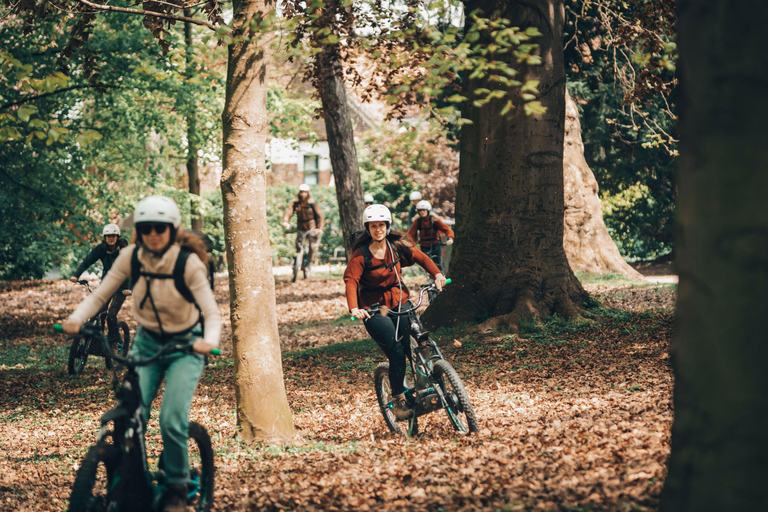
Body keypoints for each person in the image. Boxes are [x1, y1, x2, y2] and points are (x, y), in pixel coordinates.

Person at [62, 196, 221, 512]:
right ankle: (131, 477)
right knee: (131, 411)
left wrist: (209, 340)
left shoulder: (187, 263)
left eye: (160, 228)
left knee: (171, 419)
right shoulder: (130, 257)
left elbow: (211, 312)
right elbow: (101, 294)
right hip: (147, 342)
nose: (152, 233)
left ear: (172, 229)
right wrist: (77, 318)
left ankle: (177, 486)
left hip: (185, 346)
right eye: (146, 228)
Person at [343, 205, 446, 420]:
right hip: (375, 309)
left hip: (400, 300)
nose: (378, 229)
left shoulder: (397, 246)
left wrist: (437, 274)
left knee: (420, 337)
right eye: (373, 226)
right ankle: (398, 399)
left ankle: (432, 380)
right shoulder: (361, 255)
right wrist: (355, 307)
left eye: (381, 225)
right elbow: (351, 280)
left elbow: (422, 258)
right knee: (397, 353)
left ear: (387, 226)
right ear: (368, 228)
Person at [70, 223, 132, 345]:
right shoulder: (101, 249)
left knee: (111, 314)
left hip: (122, 286)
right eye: (108, 236)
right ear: (104, 237)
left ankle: (115, 340)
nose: (111, 238)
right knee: (99, 312)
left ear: (117, 237)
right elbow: (87, 261)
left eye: (113, 236)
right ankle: (97, 341)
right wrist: (76, 275)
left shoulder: (124, 250)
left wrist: (129, 288)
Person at [282, 183, 325, 278]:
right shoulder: (296, 203)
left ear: (308, 193)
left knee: (312, 247)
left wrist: (320, 228)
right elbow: (289, 211)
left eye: (305, 192)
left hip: (312, 229)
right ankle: (296, 265)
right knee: (298, 247)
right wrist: (285, 221)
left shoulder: (312, 203)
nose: (303, 194)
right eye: (301, 192)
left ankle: (309, 264)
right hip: (300, 228)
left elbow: (320, 216)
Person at [407, 200, 454, 272]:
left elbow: (447, 229)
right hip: (424, 247)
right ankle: (430, 280)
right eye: (420, 210)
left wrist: (450, 238)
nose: (422, 212)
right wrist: (410, 245)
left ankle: (441, 280)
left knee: (438, 265)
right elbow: (411, 235)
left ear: (428, 210)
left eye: (424, 210)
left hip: (435, 246)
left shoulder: (434, 220)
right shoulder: (418, 221)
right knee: (427, 266)